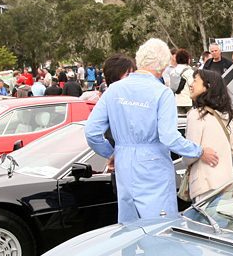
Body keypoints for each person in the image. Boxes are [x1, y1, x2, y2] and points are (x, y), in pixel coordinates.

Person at [85, 38, 219, 223]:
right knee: (160, 226)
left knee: (128, 225)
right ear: (163, 67)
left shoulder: (114, 90)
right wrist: (199, 151)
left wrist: (113, 152)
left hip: (124, 162)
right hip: (153, 165)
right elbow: (169, 137)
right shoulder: (162, 93)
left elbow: (91, 132)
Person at [184, 69, 233, 201]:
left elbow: (189, 154)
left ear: (207, 86)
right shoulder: (227, 115)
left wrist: (200, 155)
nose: (191, 84)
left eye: (195, 80)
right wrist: (220, 154)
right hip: (226, 181)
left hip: (204, 183)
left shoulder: (196, 115)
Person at [173, 48, 194, 116]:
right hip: (188, 102)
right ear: (187, 59)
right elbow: (192, 85)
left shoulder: (173, 71)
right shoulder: (190, 72)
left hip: (176, 102)